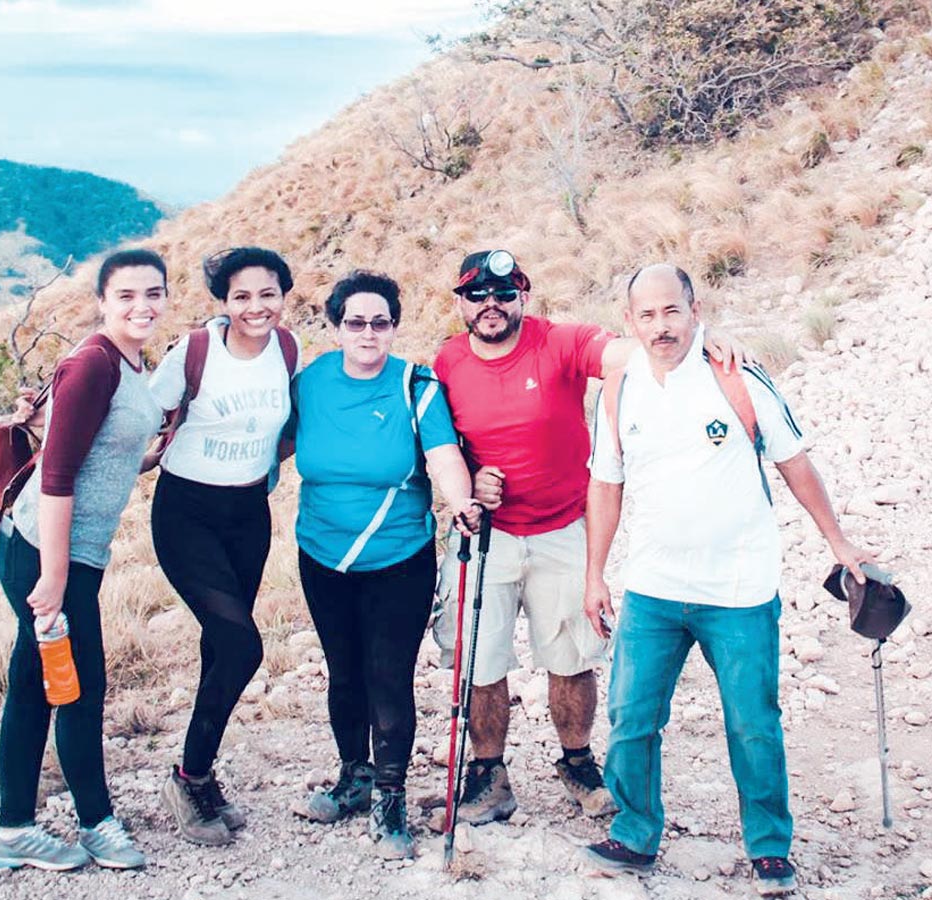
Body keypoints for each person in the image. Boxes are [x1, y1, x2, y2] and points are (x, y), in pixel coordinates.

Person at [582, 264, 874, 896]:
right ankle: (634, 834)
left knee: (752, 723)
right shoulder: (618, 389)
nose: (661, 326)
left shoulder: (735, 376)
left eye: (672, 311)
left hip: (738, 590)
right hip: (652, 587)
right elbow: (606, 482)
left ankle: (769, 848)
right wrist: (594, 573)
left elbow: (794, 461)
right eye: (648, 315)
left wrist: (838, 541)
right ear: (629, 322)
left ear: (694, 310)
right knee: (631, 717)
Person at [431, 250, 751, 826]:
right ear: (460, 303)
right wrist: (471, 483)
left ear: (523, 297)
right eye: (477, 295)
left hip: (563, 526)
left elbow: (627, 351)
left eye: (504, 294)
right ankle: (488, 774)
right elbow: (441, 443)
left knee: (571, 656)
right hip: (487, 533)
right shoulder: (447, 360)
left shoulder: (559, 341)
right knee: (481, 661)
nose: (491, 305)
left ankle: (576, 762)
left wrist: (698, 337)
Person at [291, 270, 480, 860]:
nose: (368, 333)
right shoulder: (312, 382)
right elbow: (273, 440)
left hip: (398, 557)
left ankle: (391, 796)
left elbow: (443, 455)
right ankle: (355, 777)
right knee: (342, 671)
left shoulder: (414, 384)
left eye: (380, 322)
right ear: (337, 326)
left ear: (394, 326)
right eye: (355, 322)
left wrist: (460, 501)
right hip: (321, 552)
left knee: (387, 674)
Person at [0, 249, 167, 871]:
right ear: (102, 301)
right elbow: (59, 475)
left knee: (35, 688)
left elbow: (98, 451)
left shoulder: (126, 359)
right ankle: (96, 824)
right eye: (126, 296)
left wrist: (148, 458)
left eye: (153, 293)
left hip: (63, 551)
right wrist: (56, 577)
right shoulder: (93, 363)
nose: (142, 306)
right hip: (45, 552)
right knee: (79, 687)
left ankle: (15, 829)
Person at [151, 247, 300, 846]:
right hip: (186, 513)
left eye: (267, 293)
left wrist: (270, 463)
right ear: (223, 302)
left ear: (283, 295)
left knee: (221, 645)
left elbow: (289, 427)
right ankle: (188, 777)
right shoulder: (194, 352)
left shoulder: (288, 351)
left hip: (248, 513)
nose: (255, 306)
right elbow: (137, 413)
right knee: (242, 645)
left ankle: (200, 774)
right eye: (241, 296)